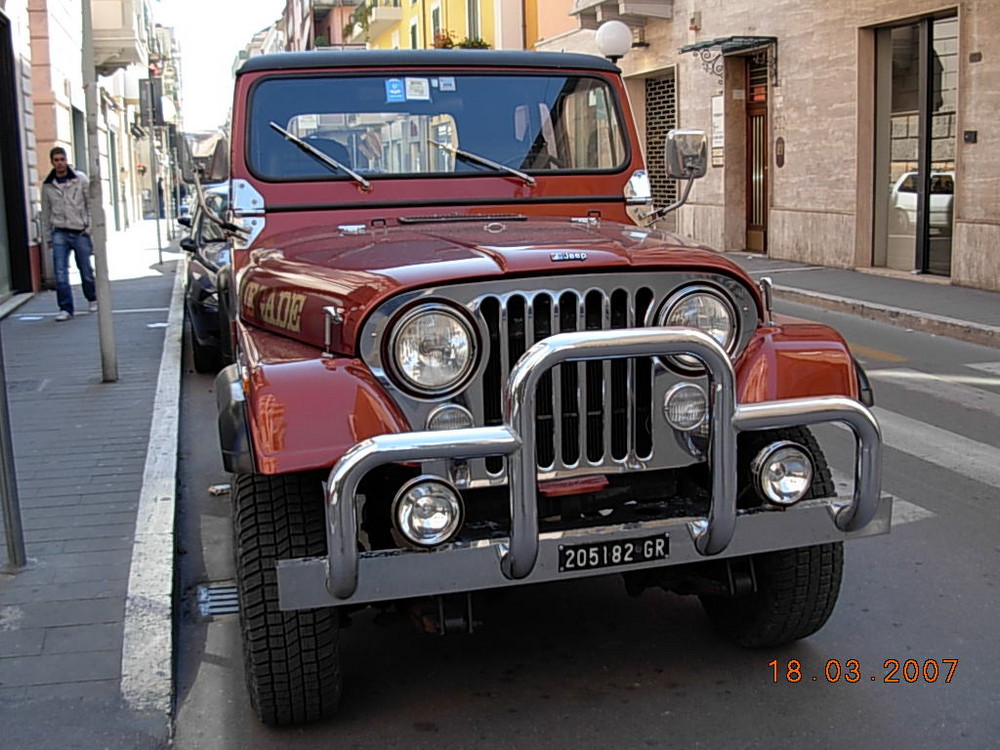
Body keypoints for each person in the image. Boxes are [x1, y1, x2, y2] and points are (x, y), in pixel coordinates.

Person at [40, 146, 97, 321]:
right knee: (60, 273)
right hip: (59, 233)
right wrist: (48, 237)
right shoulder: (48, 185)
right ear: (52, 162)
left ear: (66, 160)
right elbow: (46, 212)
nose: (59, 163)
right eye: (56, 160)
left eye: (61, 159)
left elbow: (89, 205)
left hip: (79, 231)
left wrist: (88, 227)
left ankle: (92, 297)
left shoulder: (80, 180)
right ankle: (65, 308)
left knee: (85, 270)